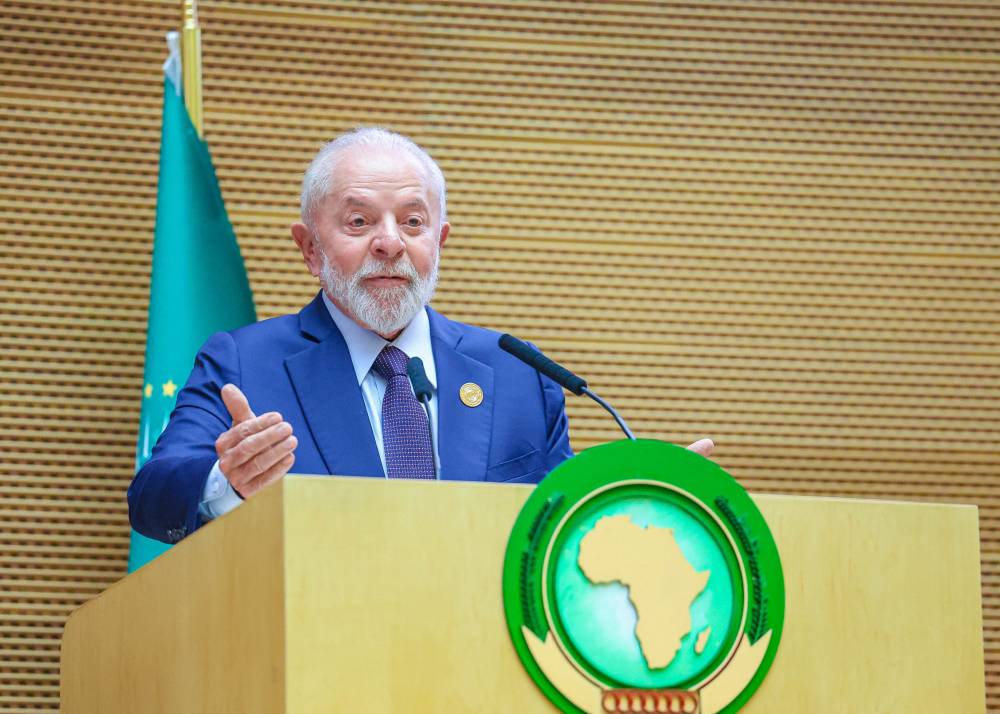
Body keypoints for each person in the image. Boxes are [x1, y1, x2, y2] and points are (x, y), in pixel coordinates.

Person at [127, 127, 713, 544]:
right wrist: (227, 482)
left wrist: (628, 499)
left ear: (439, 242)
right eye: (359, 221)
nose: (390, 242)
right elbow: (151, 497)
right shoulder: (244, 362)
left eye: (413, 221)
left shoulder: (518, 373)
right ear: (309, 249)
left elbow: (553, 528)